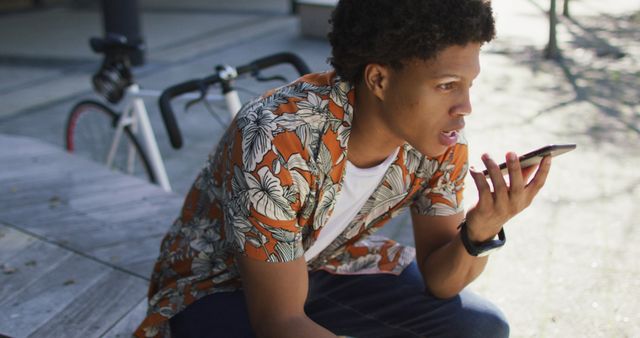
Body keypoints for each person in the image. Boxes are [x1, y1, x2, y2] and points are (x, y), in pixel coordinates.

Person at [135, 0, 552, 337]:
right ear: (379, 80)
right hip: (218, 286)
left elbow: (441, 282)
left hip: (327, 263)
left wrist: (479, 232)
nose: (465, 108)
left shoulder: (441, 143)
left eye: (468, 85)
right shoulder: (277, 139)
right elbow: (279, 321)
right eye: (446, 86)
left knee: (481, 327)